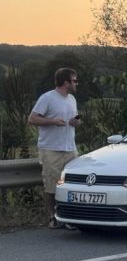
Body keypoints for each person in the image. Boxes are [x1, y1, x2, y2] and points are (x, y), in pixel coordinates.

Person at [27, 68, 81, 230]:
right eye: (75, 80)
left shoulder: (72, 98)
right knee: (52, 186)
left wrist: (76, 122)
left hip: (70, 148)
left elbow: (76, 118)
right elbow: (32, 119)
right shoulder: (47, 98)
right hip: (51, 149)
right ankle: (53, 217)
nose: (77, 83)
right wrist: (52, 121)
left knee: (71, 185)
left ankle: (70, 217)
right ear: (66, 82)